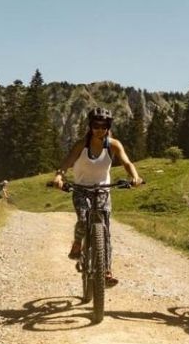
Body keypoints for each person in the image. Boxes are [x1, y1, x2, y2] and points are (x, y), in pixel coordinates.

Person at [53, 107, 143, 286]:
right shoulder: (81, 144)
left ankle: (106, 270)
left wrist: (135, 176)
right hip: (80, 189)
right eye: (96, 125)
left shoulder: (113, 144)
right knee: (83, 218)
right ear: (90, 126)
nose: (100, 129)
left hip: (103, 191)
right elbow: (67, 162)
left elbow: (127, 162)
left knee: (105, 231)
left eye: (104, 126)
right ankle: (78, 243)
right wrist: (59, 176)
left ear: (108, 127)